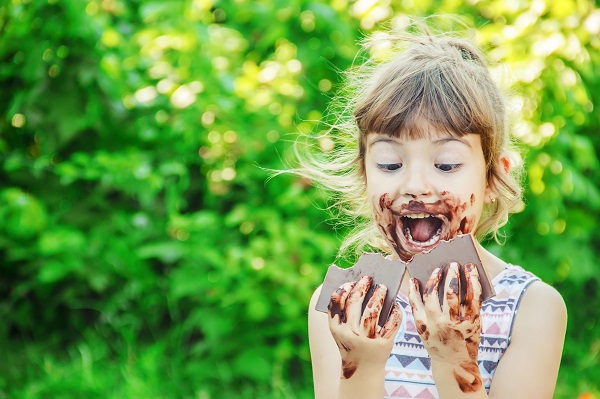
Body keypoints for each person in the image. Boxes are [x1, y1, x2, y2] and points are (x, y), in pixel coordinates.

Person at [303, 20, 567, 399]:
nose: (415, 186)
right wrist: (360, 364)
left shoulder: (532, 309)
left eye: (446, 164)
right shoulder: (339, 309)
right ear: (364, 177)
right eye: (391, 164)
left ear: (493, 179)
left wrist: (453, 360)